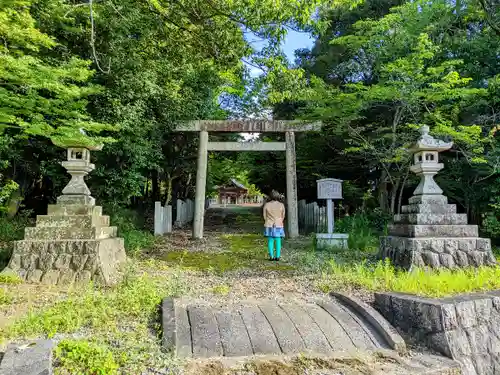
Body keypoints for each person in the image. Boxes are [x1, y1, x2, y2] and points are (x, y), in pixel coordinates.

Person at [263, 190, 285, 261]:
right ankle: (278, 256)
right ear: (278, 196)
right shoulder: (281, 205)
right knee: (278, 240)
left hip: (269, 224)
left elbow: (264, 216)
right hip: (279, 224)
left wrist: (268, 220)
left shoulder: (267, 204)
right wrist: (279, 220)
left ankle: (271, 257)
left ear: (270, 196)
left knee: (270, 240)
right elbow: (283, 216)